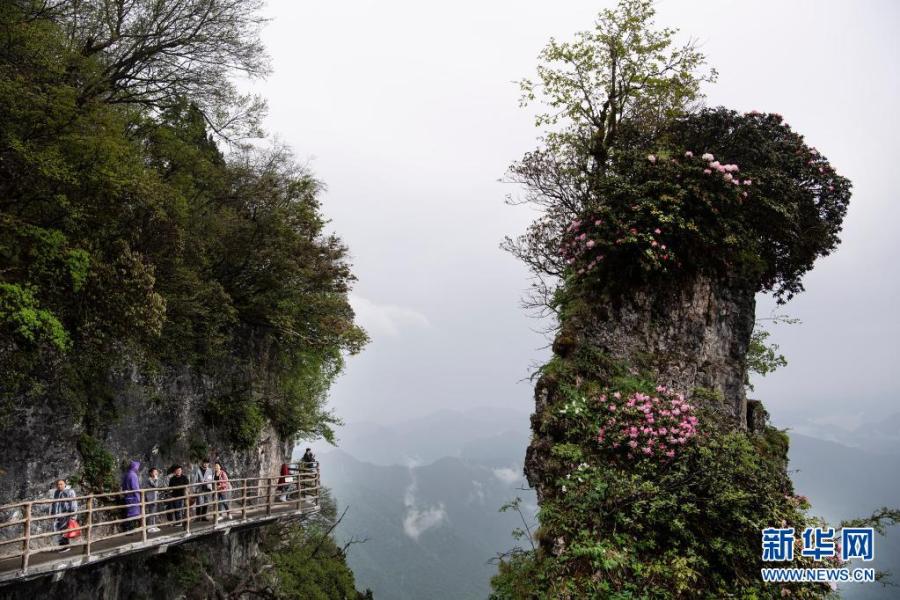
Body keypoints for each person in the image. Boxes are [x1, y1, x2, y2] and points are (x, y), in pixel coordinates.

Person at [50, 479, 78, 552]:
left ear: (65, 484)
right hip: (58, 514)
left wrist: (73, 515)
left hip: (66, 514)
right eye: (58, 485)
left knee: (64, 530)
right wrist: (53, 512)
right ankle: (62, 546)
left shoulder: (70, 491)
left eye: (61, 484)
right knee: (57, 529)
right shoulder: (56, 492)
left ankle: (66, 547)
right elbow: (54, 503)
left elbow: (73, 503)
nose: (59, 486)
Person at [121, 460, 142, 533]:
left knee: (129, 513)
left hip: (127, 497)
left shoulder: (126, 474)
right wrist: (138, 497)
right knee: (133, 513)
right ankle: (130, 529)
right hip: (133, 496)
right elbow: (135, 487)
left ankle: (129, 529)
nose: (138, 468)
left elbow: (123, 486)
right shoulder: (133, 475)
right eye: (137, 467)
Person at [144, 467, 164, 533]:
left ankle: (154, 526)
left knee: (154, 512)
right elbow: (155, 486)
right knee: (151, 512)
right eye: (154, 472)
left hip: (155, 497)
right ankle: (150, 527)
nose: (156, 473)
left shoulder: (154, 479)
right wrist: (156, 479)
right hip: (150, 498)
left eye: (156, 472)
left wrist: (156, 479)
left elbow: (157, 486)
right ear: (151, 473)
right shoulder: (149, 479)